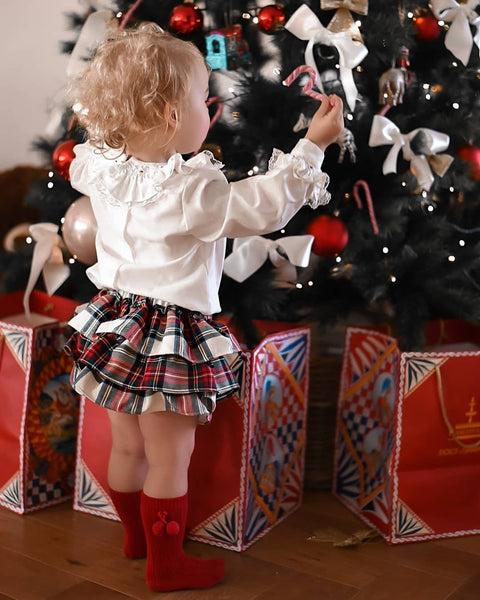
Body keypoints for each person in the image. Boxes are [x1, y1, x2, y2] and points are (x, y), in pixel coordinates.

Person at [64, 23, 343, 593]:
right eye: (201, 100)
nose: (209, 109)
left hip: (114, 322)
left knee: (127, 444)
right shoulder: (189, 191)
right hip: (168, 331)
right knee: (172, 455)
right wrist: (312, 144)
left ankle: (136, 537)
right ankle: (165, 563)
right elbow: (262, 207)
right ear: (171, 116)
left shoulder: (102, 169)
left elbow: (85, 162)